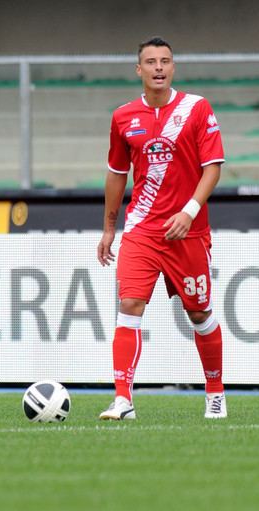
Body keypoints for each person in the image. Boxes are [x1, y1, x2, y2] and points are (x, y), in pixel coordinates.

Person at [97, 36, 227, 420]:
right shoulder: (122, 117)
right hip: (142, 230)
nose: (158, 67)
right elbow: (117, 174)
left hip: (187, 231)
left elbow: (213, 167)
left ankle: (215, 392)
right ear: (138, 70)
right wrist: (109, 228)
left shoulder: (196, 108)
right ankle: (123, 399)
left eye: (165, 61)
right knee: (129, 305)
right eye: (150, 61)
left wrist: (188, 211)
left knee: (200, 314)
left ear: (173, 68)